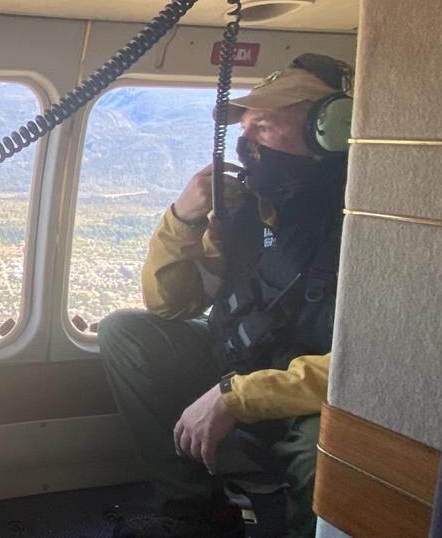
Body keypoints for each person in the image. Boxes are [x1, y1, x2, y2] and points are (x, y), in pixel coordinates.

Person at [101, 54, 351, 538]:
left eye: (265, 126)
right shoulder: (249, 211)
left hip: (310, 392)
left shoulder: (361, 222)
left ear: (331, 131)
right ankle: (193, 513)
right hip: (243, 361)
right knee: (126, 334)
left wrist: (236, 397)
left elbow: (362, 367)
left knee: (328, 450)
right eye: (246, 127)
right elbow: (170, 305)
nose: (248, 142)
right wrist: (184, 218)